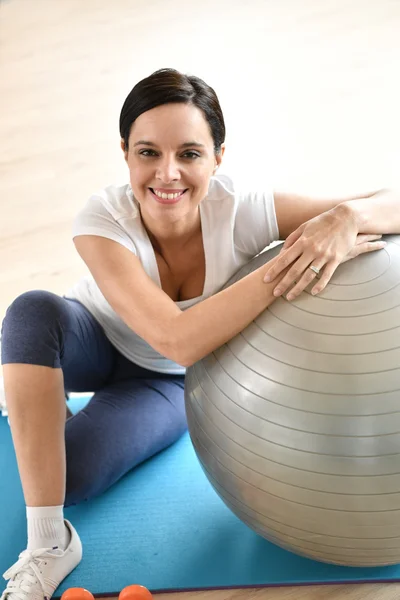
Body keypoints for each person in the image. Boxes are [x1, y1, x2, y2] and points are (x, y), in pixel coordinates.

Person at [1, 67, 399, 600]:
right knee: (30, 313)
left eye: (189, 154)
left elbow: (390, 203)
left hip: (166, 383)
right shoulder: (101, 216)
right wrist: (282, 270)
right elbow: (178, 336)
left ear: (218, 157)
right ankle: (49, 545)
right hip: (92, 338)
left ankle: (47, 410)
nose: (167, 174)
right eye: (148, 153)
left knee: (65, 478)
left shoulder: (242, 210)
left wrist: (347, 215)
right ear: (125, 154)